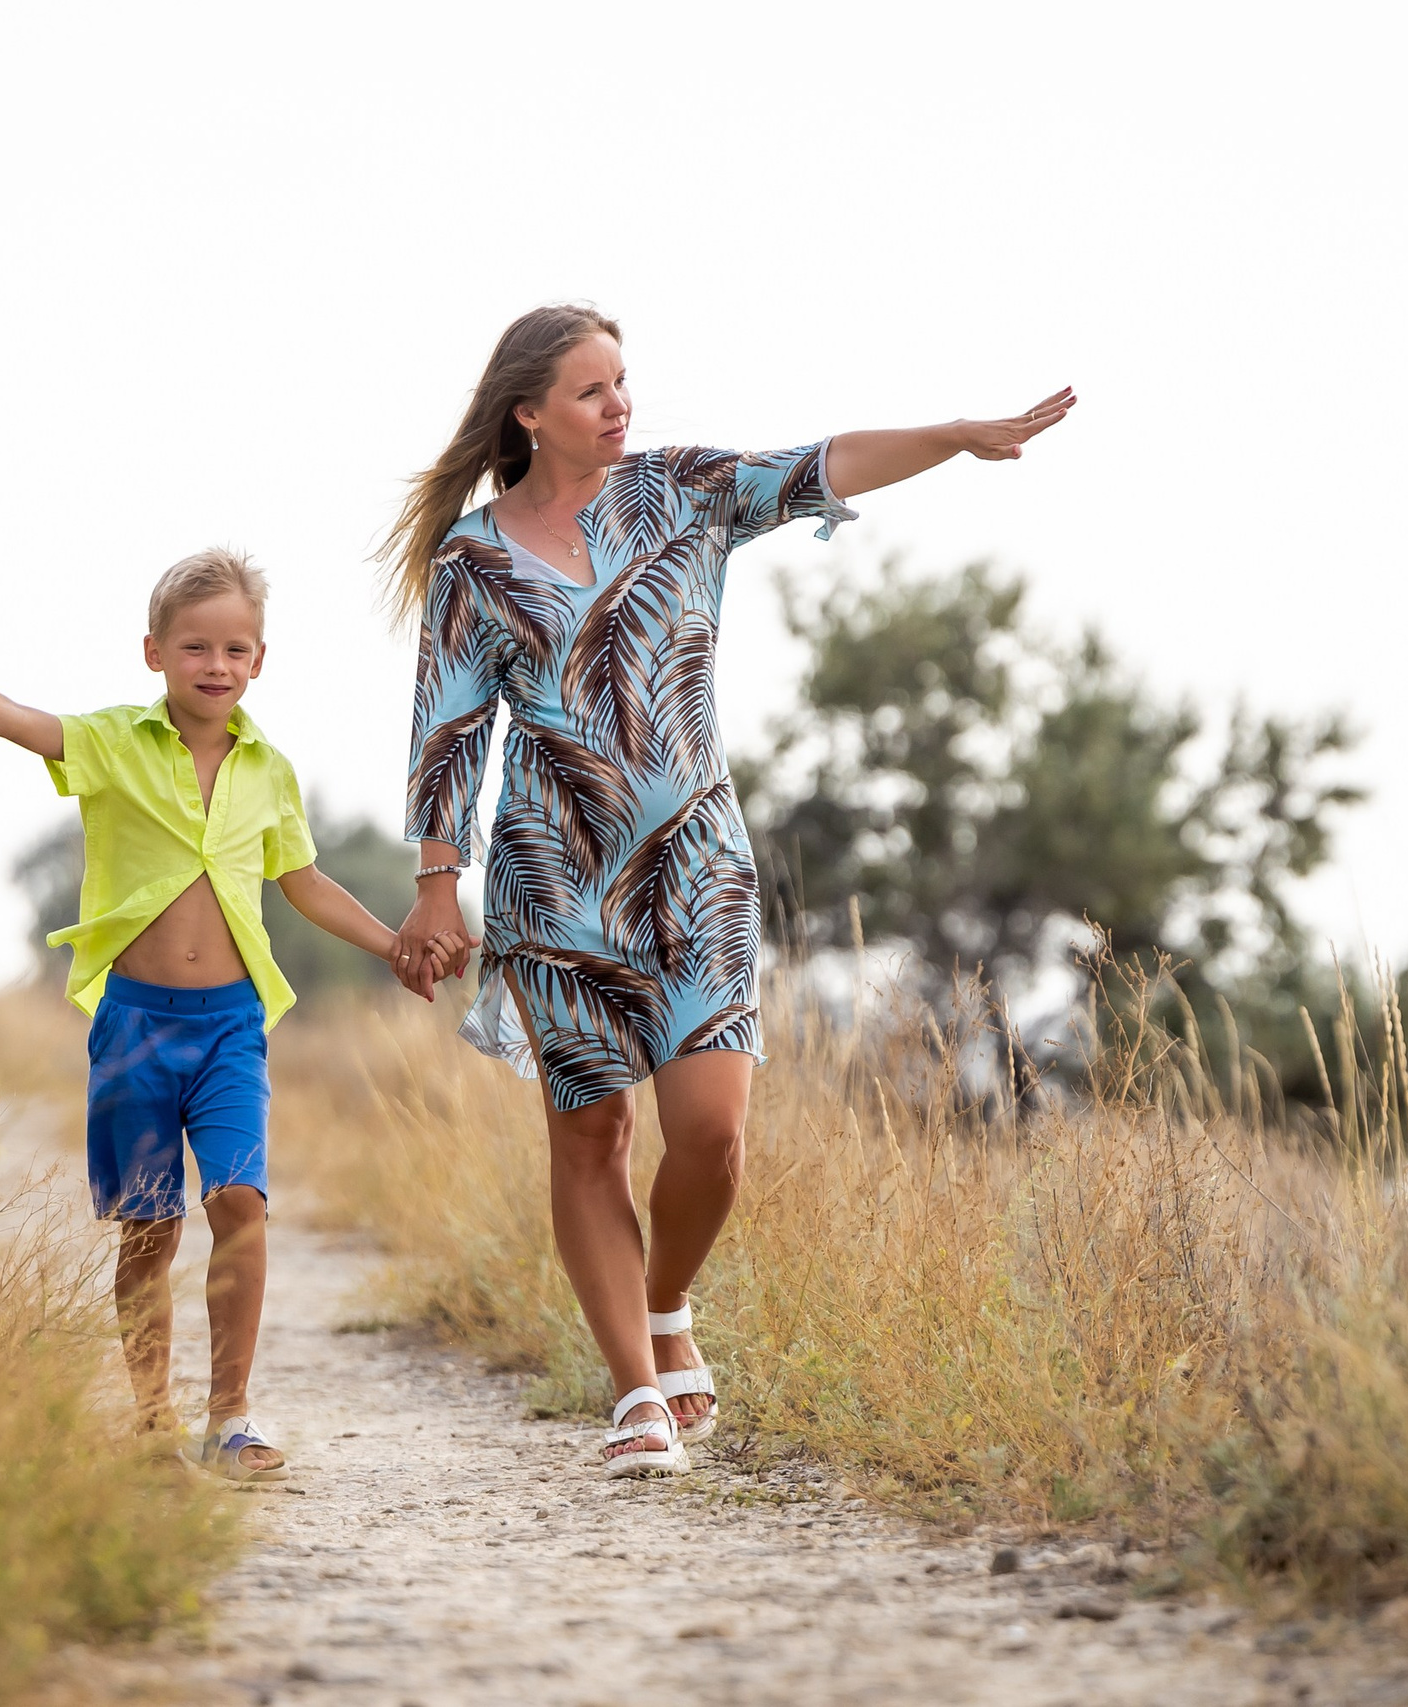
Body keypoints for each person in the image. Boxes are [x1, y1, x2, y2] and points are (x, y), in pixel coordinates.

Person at [385, 305, 1073, 1479]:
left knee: (712, 1136)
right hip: (553, 881)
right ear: (529, 414)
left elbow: (821, 465)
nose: (619, 405)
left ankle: (664, 1304)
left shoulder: (684, 492)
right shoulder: (471, 560)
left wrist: (954, 436)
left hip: (697, 870)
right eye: (592, 390)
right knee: (592, 1135)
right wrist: (437, 887)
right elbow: (448, 729)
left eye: (621, 382)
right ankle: (635, 1395)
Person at [0, 547, 449, 1481]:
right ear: (155, 653)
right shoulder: (112, 742)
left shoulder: (270, 770)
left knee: (241, 1202)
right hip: (135, 1026)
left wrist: (395, 946)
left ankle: (231, 1417)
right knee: (149, 1226)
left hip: (231, 1029)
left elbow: (303, 882)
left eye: (235, 649)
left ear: (260, 660)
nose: (216, 665)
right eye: (195, 647)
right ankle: (149, 1422)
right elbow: (14, 718)